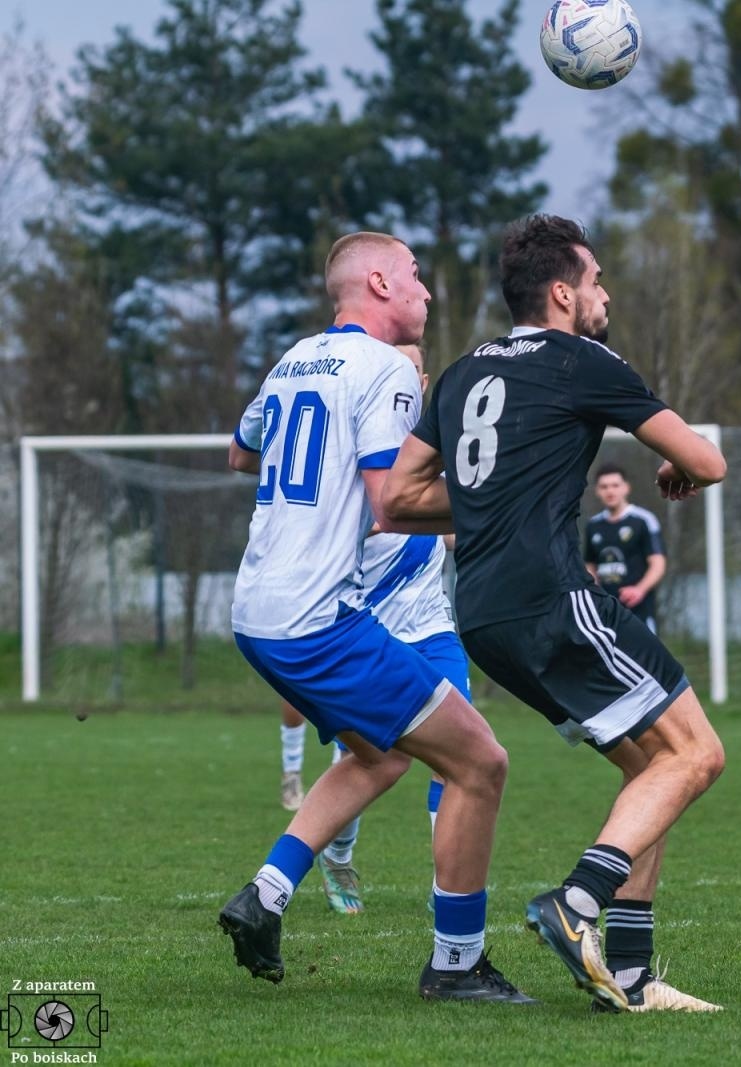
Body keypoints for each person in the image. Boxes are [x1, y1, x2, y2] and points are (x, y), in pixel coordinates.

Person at [383, 214, 727, 1013]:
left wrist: (489, 503)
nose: (606, 292)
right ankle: (575, 901)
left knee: (655, 773)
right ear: (565, 292)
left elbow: (398, 498)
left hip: (483, 613)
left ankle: (634, 977)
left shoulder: (463, 373)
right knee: (698, 755)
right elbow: (708, 459)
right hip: (553, 597)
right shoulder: (583, 360)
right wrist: (680, 466)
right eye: (598, 279)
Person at [220, 232, 531, 1004]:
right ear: (382, 283)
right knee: (480, 761)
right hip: (318, 619)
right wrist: (513, 502)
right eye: (419, 277)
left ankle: (264, 893)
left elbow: (239, 453)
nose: (428, 291)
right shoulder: (388, 369)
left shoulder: (294, 357)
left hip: (256, 610)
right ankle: (457, 964)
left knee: (379, 754)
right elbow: (394, 504)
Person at [271, 344, 465, 916]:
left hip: (433, 630)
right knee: (362, 761)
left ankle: (447, 886)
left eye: (408, 368)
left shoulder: (436, 454)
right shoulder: (350, 456)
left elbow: (451, 531)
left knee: (462, 753)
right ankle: (338, 850)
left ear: (421, 379)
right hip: (368, 633)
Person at [584, 464, 667, 632]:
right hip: (605, 610)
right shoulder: (593, 525)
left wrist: (639, 590)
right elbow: (590, 565)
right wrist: (595, 593)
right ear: (597, 491)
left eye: (615, 485)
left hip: (638, 609)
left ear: (626, 487)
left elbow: (658, 564)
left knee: (644, 656)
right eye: (604, 486)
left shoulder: (643, 520)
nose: (610, 491)